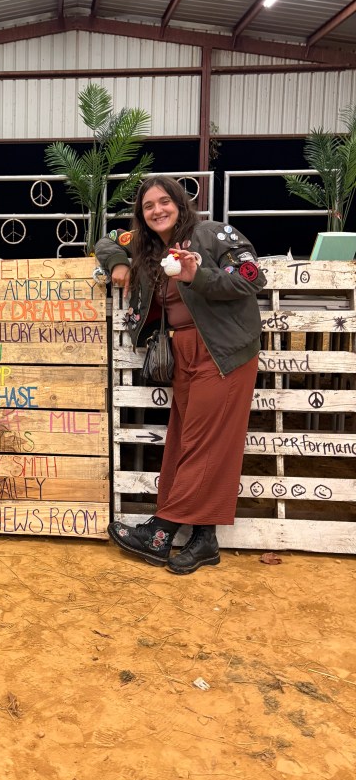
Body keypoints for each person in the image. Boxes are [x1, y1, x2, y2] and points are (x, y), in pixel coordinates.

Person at [95, 175, 266, 574]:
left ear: (180, 202)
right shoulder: (149, 246)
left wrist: (196, 276)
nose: (156, 210)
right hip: (182, 353)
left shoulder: (210, 234)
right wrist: (119, 262)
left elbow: (251, 278)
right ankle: (205, 542)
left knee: (203, 444)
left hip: (222, 352)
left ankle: (161, 530)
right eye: (148, 205)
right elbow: (105, 242)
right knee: (185, 442)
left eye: (163, 201)